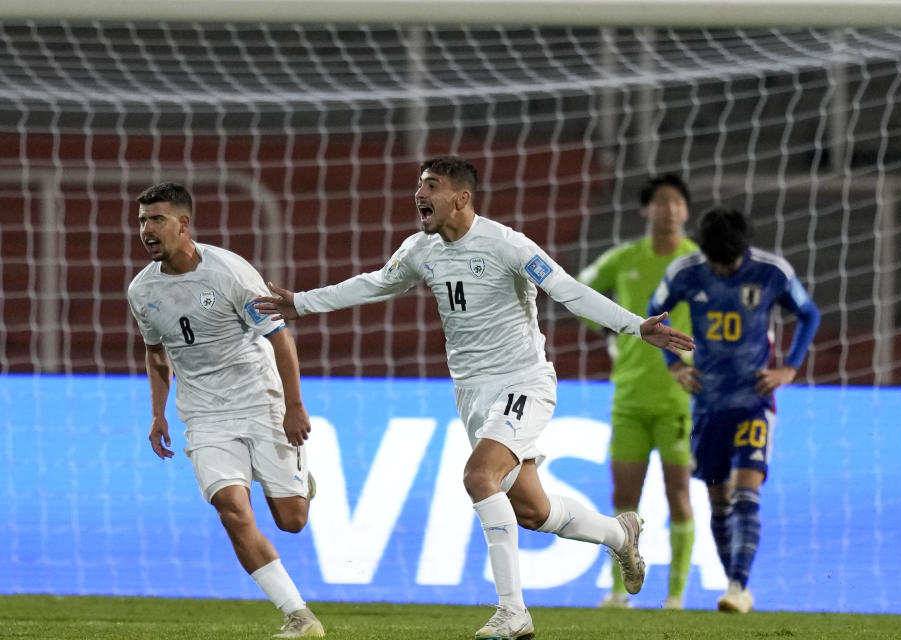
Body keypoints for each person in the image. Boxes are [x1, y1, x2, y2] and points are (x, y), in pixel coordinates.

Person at [255, 155, 695, 640]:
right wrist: (303, 303)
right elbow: (377, 284)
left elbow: (568, 290)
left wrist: (635, 326)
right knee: (533, 510)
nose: (419, 194)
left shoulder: (508, 244)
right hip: (471, 393)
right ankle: (620, 534)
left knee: (478, 476)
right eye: (419, 185)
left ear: (462, 198)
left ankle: (513, 613)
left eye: (432, 185)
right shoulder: (420, 249)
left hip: (524, 382)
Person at [126, 182, 325, 638]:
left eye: (156, 219)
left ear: (183, 223)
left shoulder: (230, 273)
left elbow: (279, 337)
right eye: (141, 220)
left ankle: (301, 485)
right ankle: (299, 616)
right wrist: (158, 415)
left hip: (260, 401)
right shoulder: (142, 291)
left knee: (291, 521)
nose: (146, 229)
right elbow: (156, 354)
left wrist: (294, 405)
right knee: (232, 510)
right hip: (204, 414)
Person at [647, 207, 820, 613]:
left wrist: (789, 368)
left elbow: (809, 313)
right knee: (719, 501)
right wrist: (675, 367)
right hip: (707, 403)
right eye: (716, 263)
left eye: (730, 263)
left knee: (746, 493)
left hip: (754, 400)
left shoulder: (771, 271)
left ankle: (740, 586)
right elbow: (652, 321)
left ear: (744, 251)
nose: (722, 271)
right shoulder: (684, 272)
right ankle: (733, 583)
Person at [577, 175, 699, 610]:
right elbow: (579, 288)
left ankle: (677, 596)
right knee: (623, 499)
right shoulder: (624, 258)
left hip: (677, 399)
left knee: (678, 496)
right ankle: (617, 591)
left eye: (678, 203)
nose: (671, 210)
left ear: (686, 210)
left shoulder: (696, 262)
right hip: (628, 396)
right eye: (663, 202)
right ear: (646, 209)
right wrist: (609, 333)